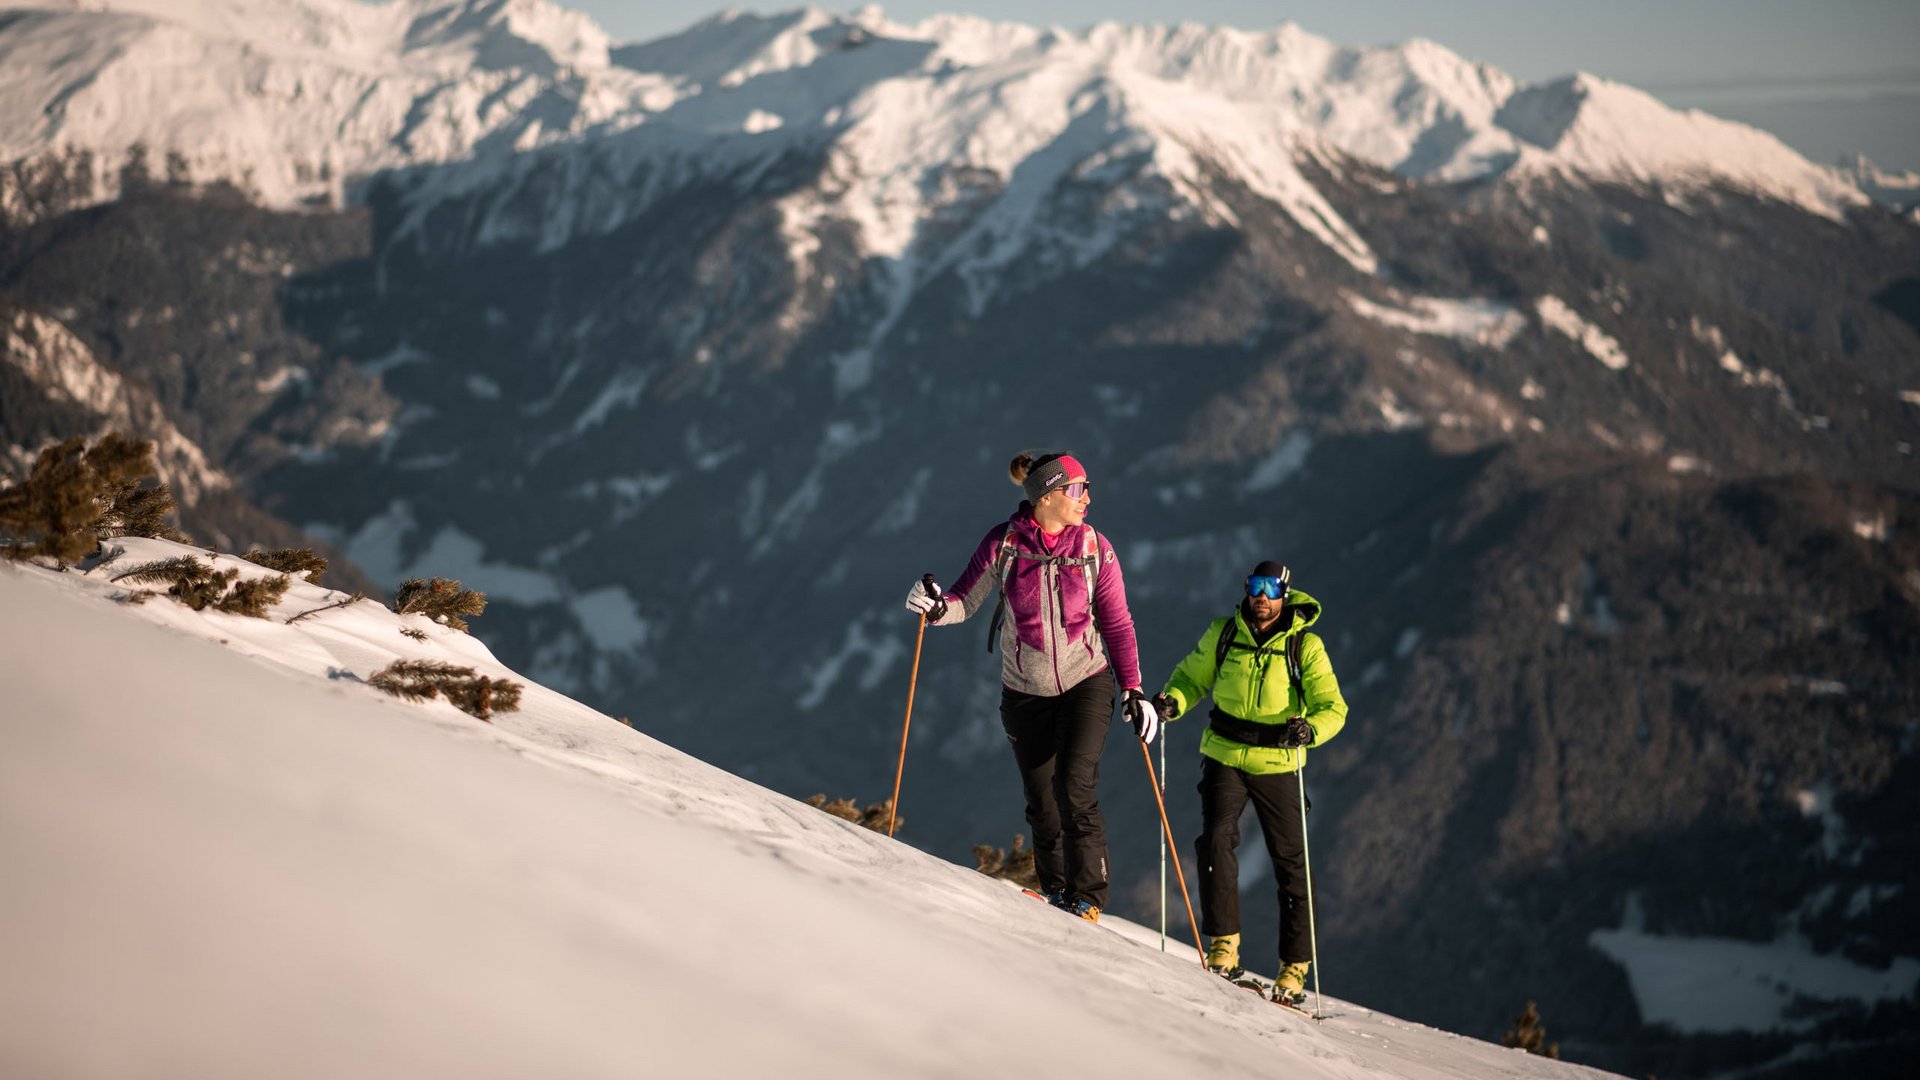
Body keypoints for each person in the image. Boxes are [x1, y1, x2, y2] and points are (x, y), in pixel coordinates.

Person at [905, 451, 1159, 923]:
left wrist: (1133, 690)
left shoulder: (1094, 549)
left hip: (1088, 681)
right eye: (1079, 489)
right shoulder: (1003, 544)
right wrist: (936, 607)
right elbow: (964, 599)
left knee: (1074, 786)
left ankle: (1088, 897)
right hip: (1024, 692)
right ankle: (1057, 893)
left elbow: (1119, 624)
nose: (1088, 498)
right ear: (1049, 495)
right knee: (1041, 801)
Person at [1149, 561, 1347, 1006]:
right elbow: (1190, 678)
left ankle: (1294, 970)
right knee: (1215, 842)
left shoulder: (1304, 646)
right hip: (1224, 753)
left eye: (1271, 588)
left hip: (1278, 760)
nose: (1262, 596)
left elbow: (1333, 707)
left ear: (1285, 594)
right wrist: (1171, 702)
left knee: (1289, 862)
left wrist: (1310, 729)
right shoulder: (1224, 634)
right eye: (1255, 587)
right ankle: (1223, 946)